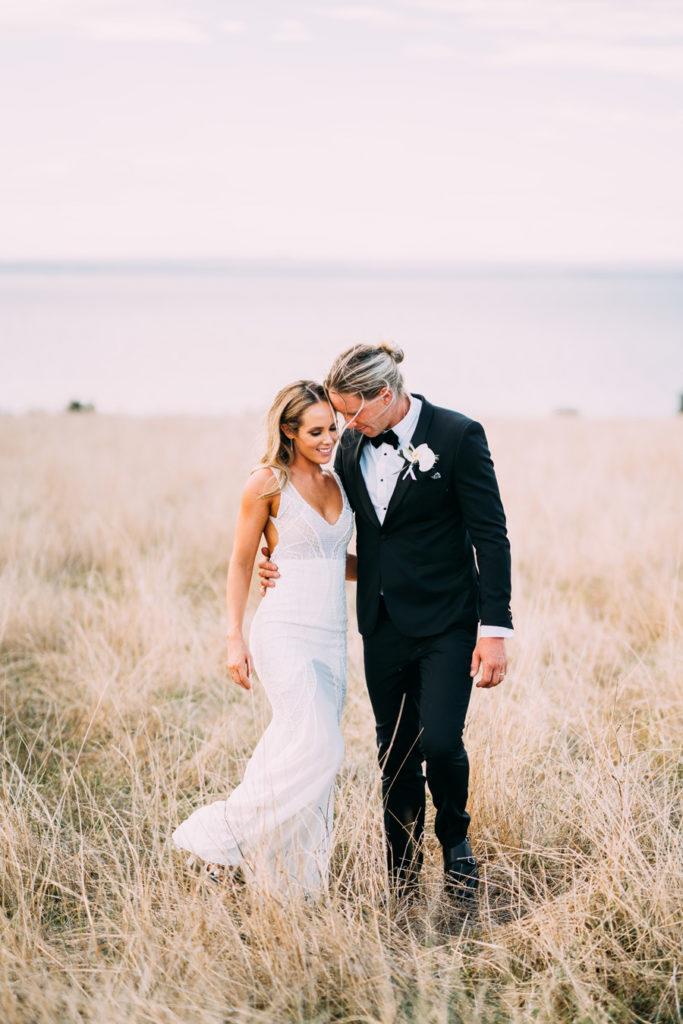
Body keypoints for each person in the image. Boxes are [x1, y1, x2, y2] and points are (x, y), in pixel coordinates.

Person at [258, 343, 513, 906]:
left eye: (353, 413)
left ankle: (456, 840)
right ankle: (400, 873)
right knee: (394, 750)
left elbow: (491, 536)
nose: (344, 427)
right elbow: (322, 522)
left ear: (385, 394)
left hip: (449, 621)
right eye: (339, 416)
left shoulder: (458, 435)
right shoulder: (350, 448)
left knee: (442, 742)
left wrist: (495, 629)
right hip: (382, 623)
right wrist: (279, 557)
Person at [171, 381, 355, 898]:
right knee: (321, 743)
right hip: (283, 633)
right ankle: (218, 837)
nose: (327, 439)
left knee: (291, 746)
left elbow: (334, 559)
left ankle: (286, 879)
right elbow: (240, 561)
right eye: (315, 431)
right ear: (289, 431)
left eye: (332, 429)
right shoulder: (266, 483)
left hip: (331, 640)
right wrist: (234, 638)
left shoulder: (338, 479)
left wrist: (402, 572)